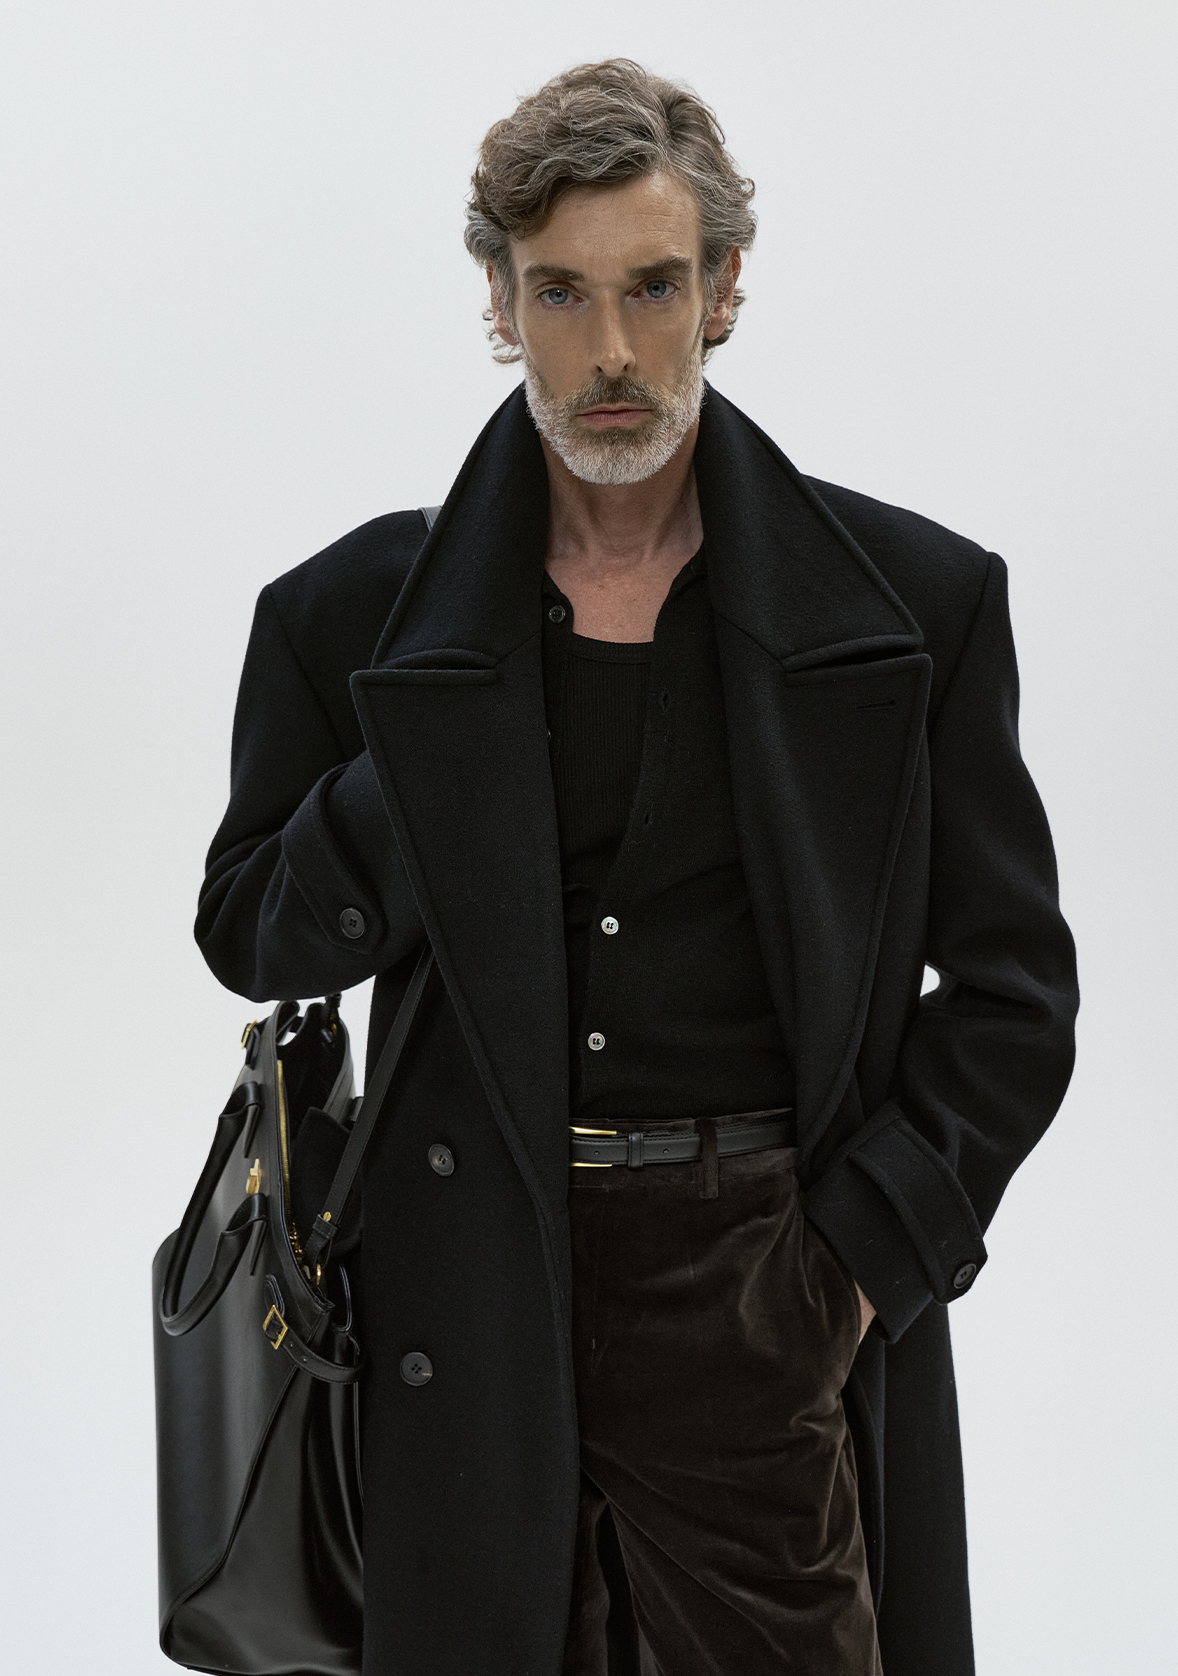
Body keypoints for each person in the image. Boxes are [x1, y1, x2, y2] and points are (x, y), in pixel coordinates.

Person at [197, 58, 1078, 1676]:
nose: (609, 351)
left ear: (725, 288)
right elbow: (250, 933)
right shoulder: (354, 618)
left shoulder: (912, 606)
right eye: (561, 293)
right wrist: (432, 742)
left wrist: (856, 1266)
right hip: (468, 1296)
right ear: (499, 304)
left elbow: (1013, 993)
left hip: (762, 1286)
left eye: (653, 287)